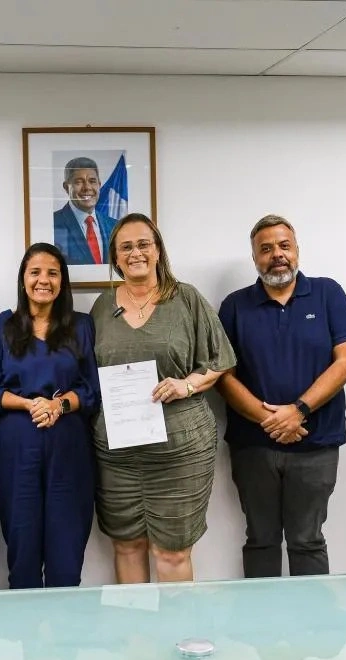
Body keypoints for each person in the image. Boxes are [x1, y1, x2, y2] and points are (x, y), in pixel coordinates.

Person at [89, 212, 236, 583]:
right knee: (126, 545)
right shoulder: (102, 308)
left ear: (157, 251)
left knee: (172, 552)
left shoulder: (185, 299)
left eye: (143, 244)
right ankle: (137, 640)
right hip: (118, 455)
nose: (135, 252)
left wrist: (186, 384)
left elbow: (221, 360)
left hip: (179, 452)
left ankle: (176, 637)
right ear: (115, 257)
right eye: (126, 247)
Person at [217, 215, 346, 578]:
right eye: (265, 249)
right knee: (261, 539)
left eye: (284, 246)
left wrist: (298, 410)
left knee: (307, 540)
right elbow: (223, 375)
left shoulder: (328, 293)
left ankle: (311, 632)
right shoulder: (235, 306)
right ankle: (262, 631)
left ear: (297, 251)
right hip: (254, 445)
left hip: (316, 443)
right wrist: (272, 420)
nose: (276, 255)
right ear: (254, 258)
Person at [0, 242, 100, 589]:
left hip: (69, 445)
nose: (43, 280)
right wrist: (31, 404)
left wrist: (58, 406)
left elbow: (92, 389)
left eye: (53, 273)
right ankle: (26, 639)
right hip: (17, 444)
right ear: (23, 279)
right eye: (35, 272)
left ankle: (66, 639)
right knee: (23, 549)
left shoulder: (81, 326)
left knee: (67, 554)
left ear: (63, 282)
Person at [53, 157, 118, 265]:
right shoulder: (54, 224)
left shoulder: (115, 225)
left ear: (99, 185)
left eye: (92, 181)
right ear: (66, 187)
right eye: (78, 182)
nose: (87, 187)